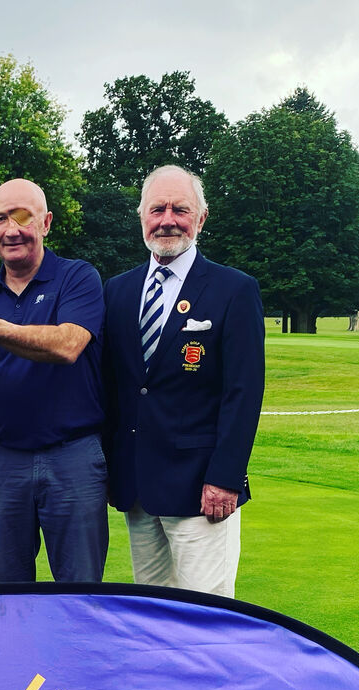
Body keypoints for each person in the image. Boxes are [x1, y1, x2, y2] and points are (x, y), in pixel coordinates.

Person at [103, 165, 265, 597]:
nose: (168, 220)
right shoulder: (117, 291)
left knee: (205, 614)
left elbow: (244, 392)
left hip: (201, 489)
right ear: (142, 216)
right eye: (157, 209)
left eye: (181, 210)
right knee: (153, 609)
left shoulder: (234, 290)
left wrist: (226, 477)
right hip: (137, 488)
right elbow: (114, 389)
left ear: (201, 218)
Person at [0, 178, 108, 582]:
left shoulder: (77, 277)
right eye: (1, 219)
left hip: (72, 456)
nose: (12, 230)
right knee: (8, 590)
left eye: (23, 217)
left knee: (80, 588)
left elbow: (68, 345)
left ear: (46, 222)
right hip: (4, 461)